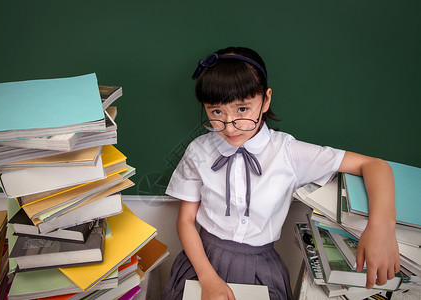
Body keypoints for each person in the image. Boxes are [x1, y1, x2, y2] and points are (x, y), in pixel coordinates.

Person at [161, 46, 400, 300]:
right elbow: (186, 221)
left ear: (265, 100)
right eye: (216, 112)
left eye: (242, 110)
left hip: (261, 269)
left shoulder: (288, 152)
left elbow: (375, 166)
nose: (229, 126)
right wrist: (208, 279)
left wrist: (381, 228)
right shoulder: (199, 150)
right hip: (200, 263)